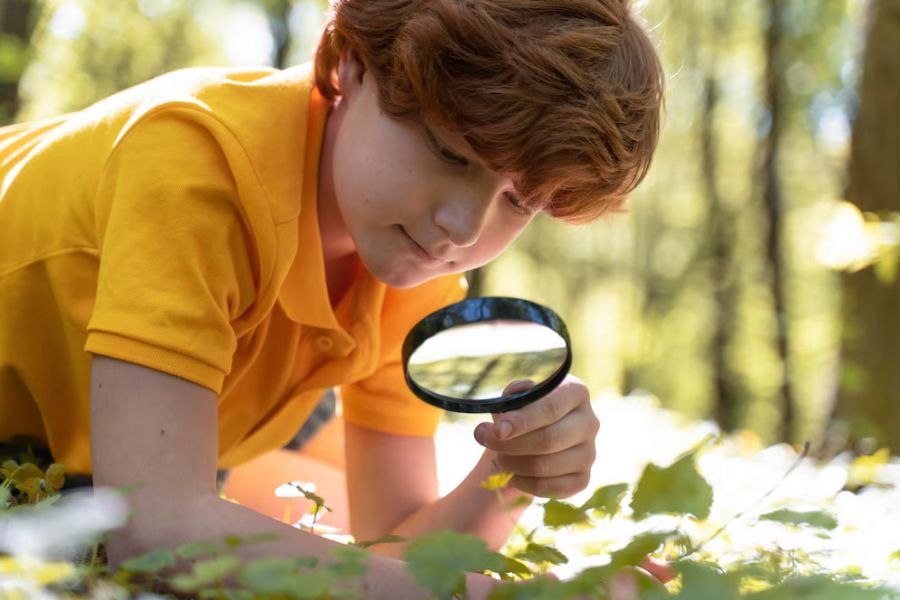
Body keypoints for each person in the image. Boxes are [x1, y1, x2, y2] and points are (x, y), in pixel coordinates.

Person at [0, 0, 664, 596]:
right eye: (449, 153)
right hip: (65, 462)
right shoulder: (196, 168)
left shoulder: (415, 259)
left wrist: (511, 470)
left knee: (310, 505)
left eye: (520, 201)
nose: (462, 227)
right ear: (351, 62)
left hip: (72, 455)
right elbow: (153, 530)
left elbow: (398, 545)